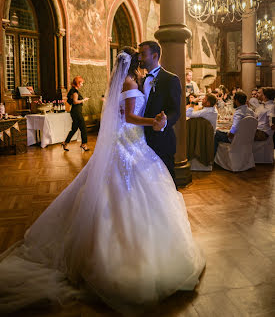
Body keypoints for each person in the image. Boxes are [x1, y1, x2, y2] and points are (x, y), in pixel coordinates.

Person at [0, 47, 205, 315]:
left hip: (133, 141)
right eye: (139, 57)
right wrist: (152, 121)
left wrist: (156, 122)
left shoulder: (132, 80)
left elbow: (128, 113)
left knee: (131, 190)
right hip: (129, 143)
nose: (142, 60)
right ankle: (118, 254)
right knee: (124, 192)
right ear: (134, 62)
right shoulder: (131, 81)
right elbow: (130, 117)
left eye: (145, 55)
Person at [138, 40, 181, 182]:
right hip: (141, 140)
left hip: (162, 141)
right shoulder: (140, 81)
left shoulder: (170, 79)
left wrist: (164, 122)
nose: (139, 58)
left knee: (167, 182)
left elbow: (175, 111)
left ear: (155, 55)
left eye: (143, 54)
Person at [214, 90, 255, 155]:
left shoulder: (238, 113)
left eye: (233, 100)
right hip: (247, 139)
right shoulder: (251, 111)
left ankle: (213, 157)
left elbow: (234, 128)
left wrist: (230, 134)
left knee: (216, 133)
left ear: (236, 101)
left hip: (237, 139)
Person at [62, 76, 90, 151]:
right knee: (83, 128)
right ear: (78, 83)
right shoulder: (75, 91)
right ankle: (84, 144)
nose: (82, 85)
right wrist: (83, 100)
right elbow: (75, 101)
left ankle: (65, 143)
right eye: (81, 83)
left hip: (75, 112)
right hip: (76, 112)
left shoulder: (73, 90)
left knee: (74, 129)